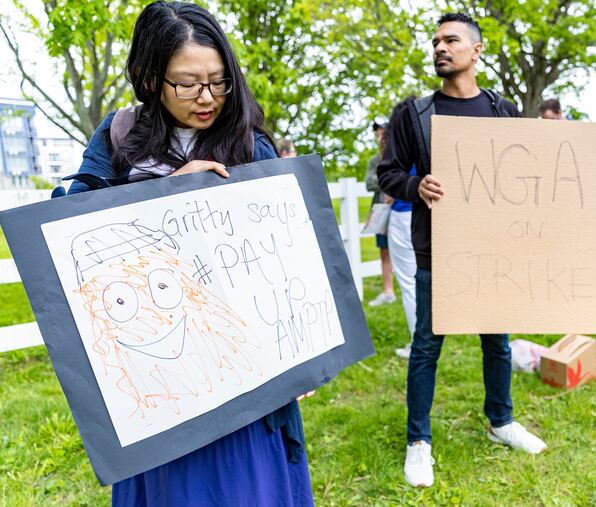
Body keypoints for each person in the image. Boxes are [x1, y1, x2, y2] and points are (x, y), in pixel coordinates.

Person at [66, 2, 314, 505]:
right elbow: (66, 225)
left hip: (243, 384)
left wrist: (301, 357)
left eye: (219, 82)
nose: (207, 97)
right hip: (156, 392)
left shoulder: (249, 143)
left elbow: (286, 257)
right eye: (187, 84)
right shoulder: (118, 137)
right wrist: (160, 200)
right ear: (150, 77)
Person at [378, 12, 596, 488]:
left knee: (497, 343)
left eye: (450, 40)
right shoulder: (416, 114)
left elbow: (537, 181)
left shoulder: (503, 112)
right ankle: (418, 441)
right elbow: (388, 174)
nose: (440, 48)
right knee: (426, 346)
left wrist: (590, 204)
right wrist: (415, 184)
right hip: (435, 252)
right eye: (435, 42)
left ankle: (501, 421)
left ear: (476, 50)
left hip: (495, 252)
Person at [384, 99, 419, 360]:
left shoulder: (400, 143)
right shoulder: (429, 135)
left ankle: (417, 343)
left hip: (403, 215)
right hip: (425, 217)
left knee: (409, 283)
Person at [365, 120, 396, 306]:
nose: (380, 136)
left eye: (383, 133)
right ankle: (388, 291)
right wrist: (389, 180)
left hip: (400, 212)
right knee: (384, 252)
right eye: (377, 134)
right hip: (381, 211)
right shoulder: (374, 161)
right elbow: (369, 182)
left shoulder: (399, 156)